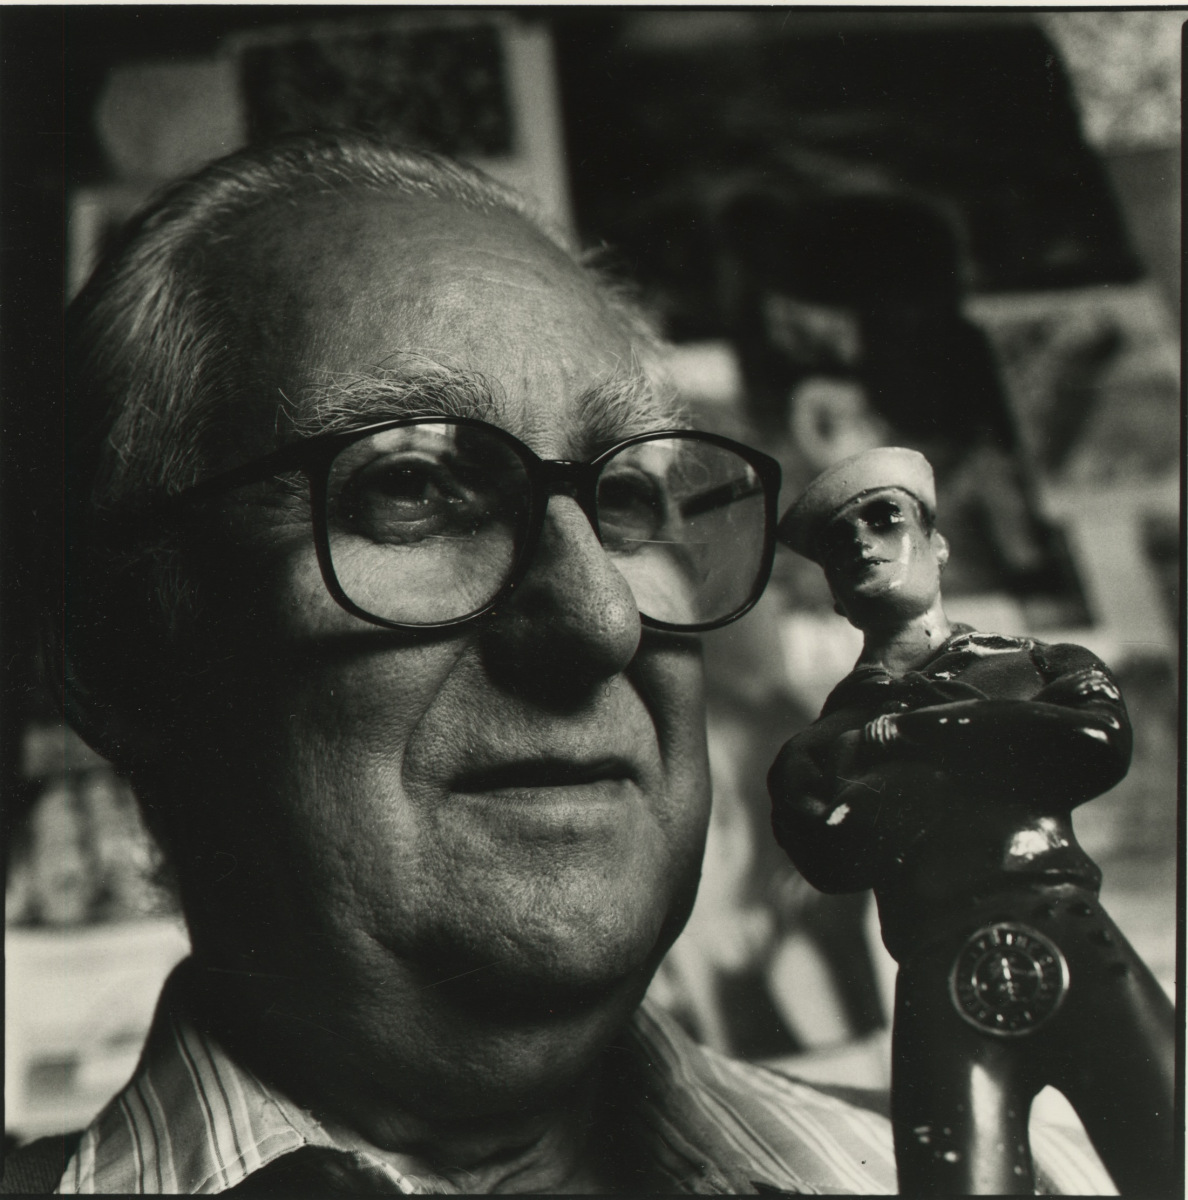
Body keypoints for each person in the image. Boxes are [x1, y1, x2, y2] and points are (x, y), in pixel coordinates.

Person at [4, 133, 1112, 1195]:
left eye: (626, 500)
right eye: (410, 487)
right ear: (120, 655)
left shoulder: (1059, 1181)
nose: (599, 619)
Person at [769, 447, 1174, 1195]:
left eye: (884, 518)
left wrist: (910, 737)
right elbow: (834, 853)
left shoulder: (1047, 664)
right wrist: (998, 744)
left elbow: (1095, 742)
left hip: (1078, 939)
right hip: (938, 980)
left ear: (938, 546)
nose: (860, 541)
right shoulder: (819, 745)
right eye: (837, 542)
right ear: (832, 593)